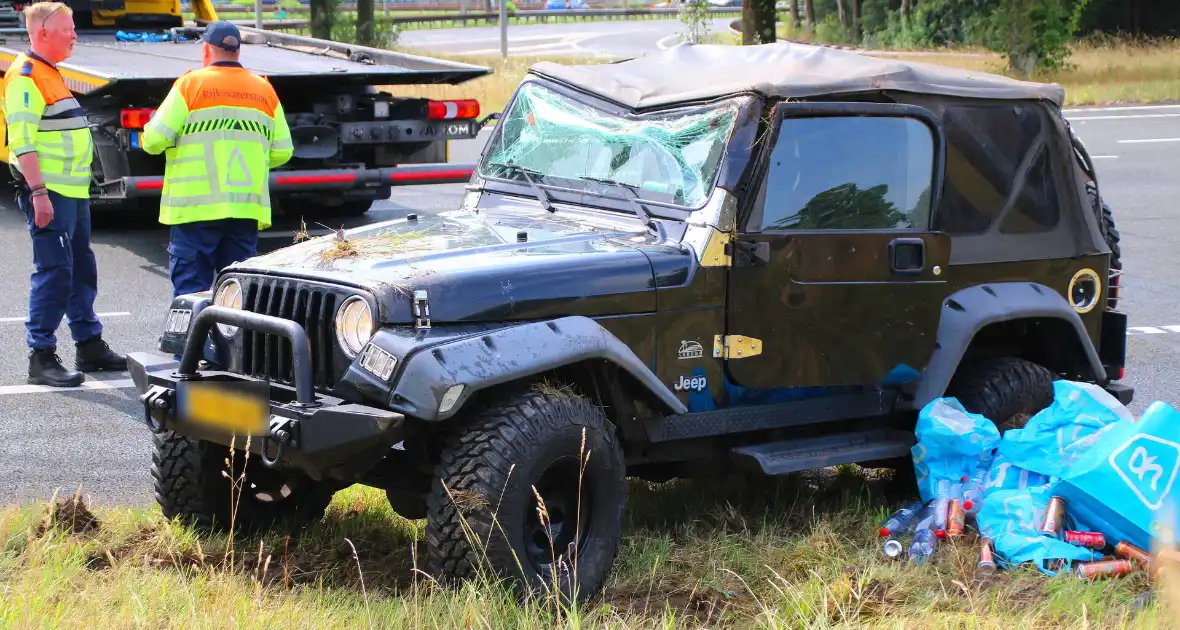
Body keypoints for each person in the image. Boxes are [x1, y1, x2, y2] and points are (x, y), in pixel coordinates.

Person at [2, 1, 126, 387]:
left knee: (79, 269)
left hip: (69, 192)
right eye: (68, 29)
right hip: (51, 193)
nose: (75, 34)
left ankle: (88, 345)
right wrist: (38, 192)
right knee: (55, 273)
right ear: (42, 33)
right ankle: (41, 357)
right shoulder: (26, 77)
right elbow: (22, 143)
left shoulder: (49, 73)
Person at [141, 20, 293, 298]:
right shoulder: (263, 89)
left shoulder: (191, 85)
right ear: (237, 51)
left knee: (192, 294)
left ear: (207, 50)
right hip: (245, 207)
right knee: (235, 295)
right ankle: (231, 343)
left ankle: (195, 343)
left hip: (195, 208)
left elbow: (153, 141)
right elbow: (283, 150)